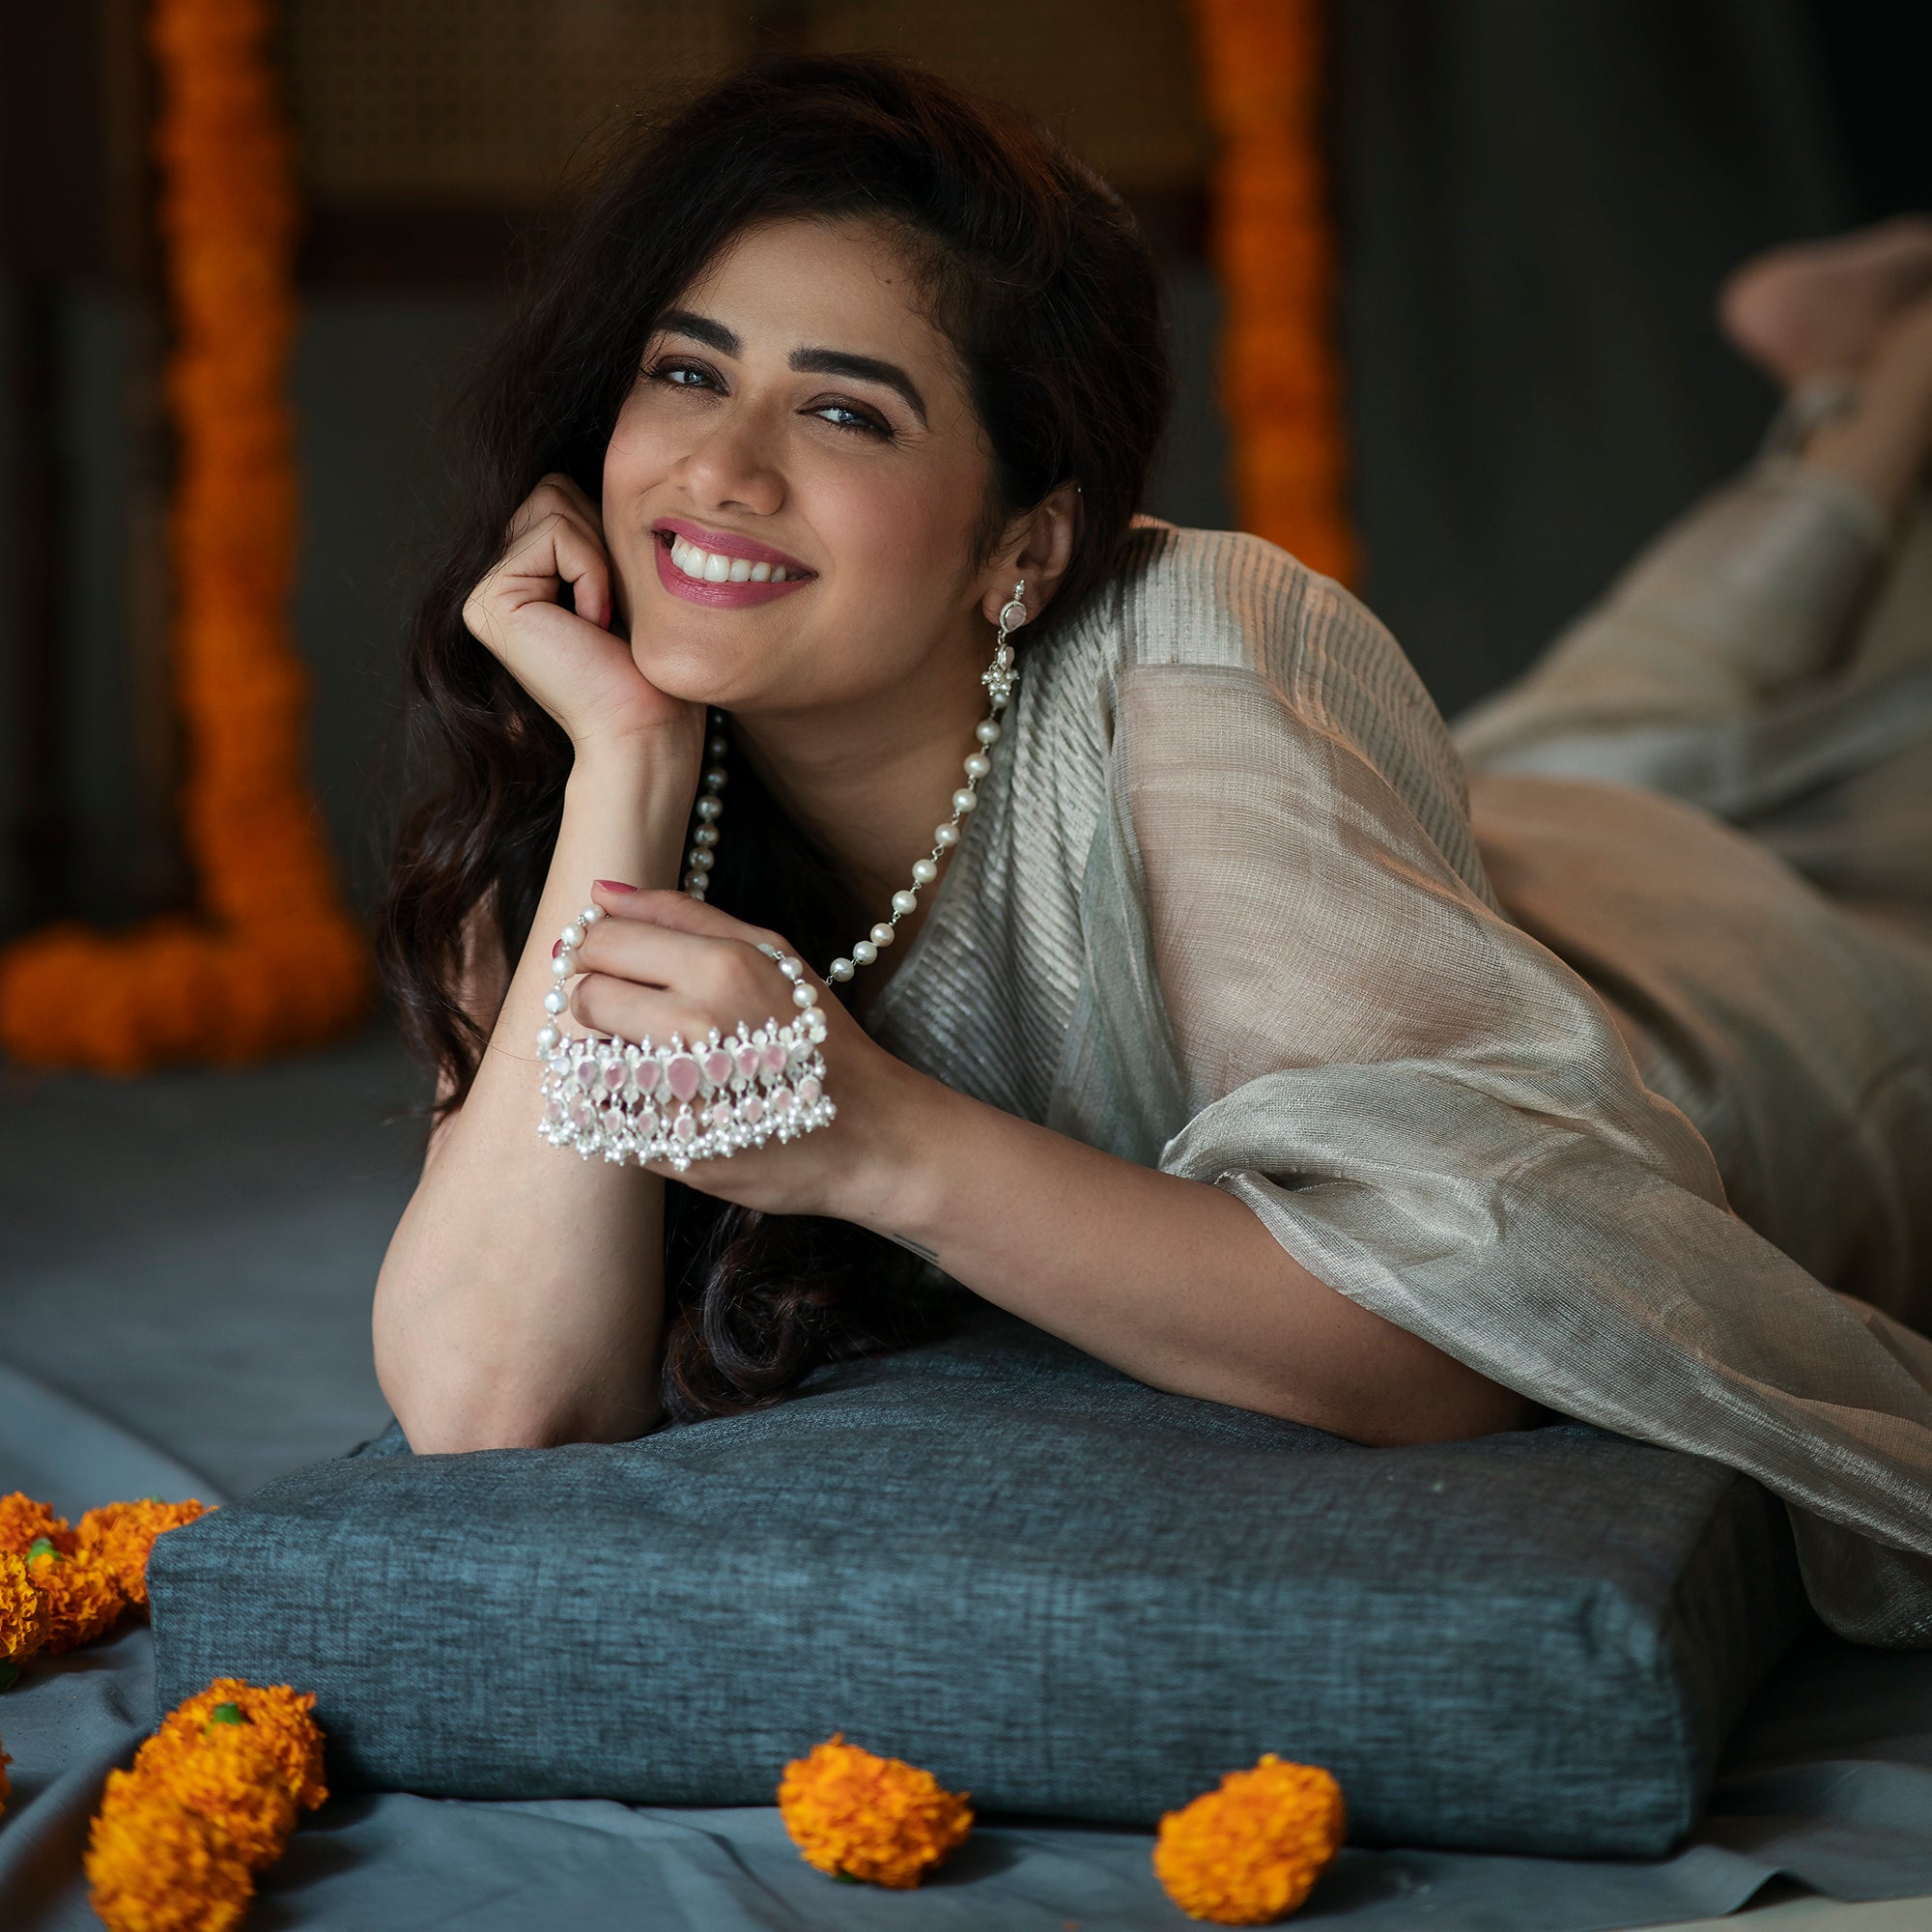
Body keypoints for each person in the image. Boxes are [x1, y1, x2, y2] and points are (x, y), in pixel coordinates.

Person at [372, 54, 1932, 1645]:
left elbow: (1454, 1335)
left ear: (1025, 546)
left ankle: (1900, 378)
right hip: (1418, 853)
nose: (719, 468)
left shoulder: (1192, 649)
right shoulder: (582, 769)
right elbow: (501, 1403)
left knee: (1851, 771)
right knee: (1637, 705)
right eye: (688, 374)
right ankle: (1884, 379)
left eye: (843, 409)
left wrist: (876, 1138)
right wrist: (630, 762)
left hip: (1699, 1008)